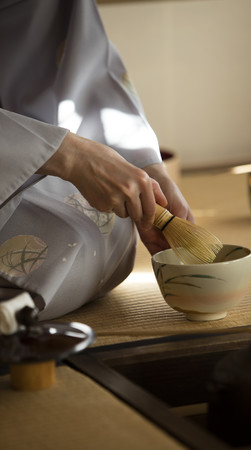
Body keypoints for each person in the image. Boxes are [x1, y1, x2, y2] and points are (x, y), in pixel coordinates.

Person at [0, 0, 193, 320]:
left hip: (26, 153)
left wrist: (146, 167)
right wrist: (68, 155)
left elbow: (73, 49)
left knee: (108, 223)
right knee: (58, 245)